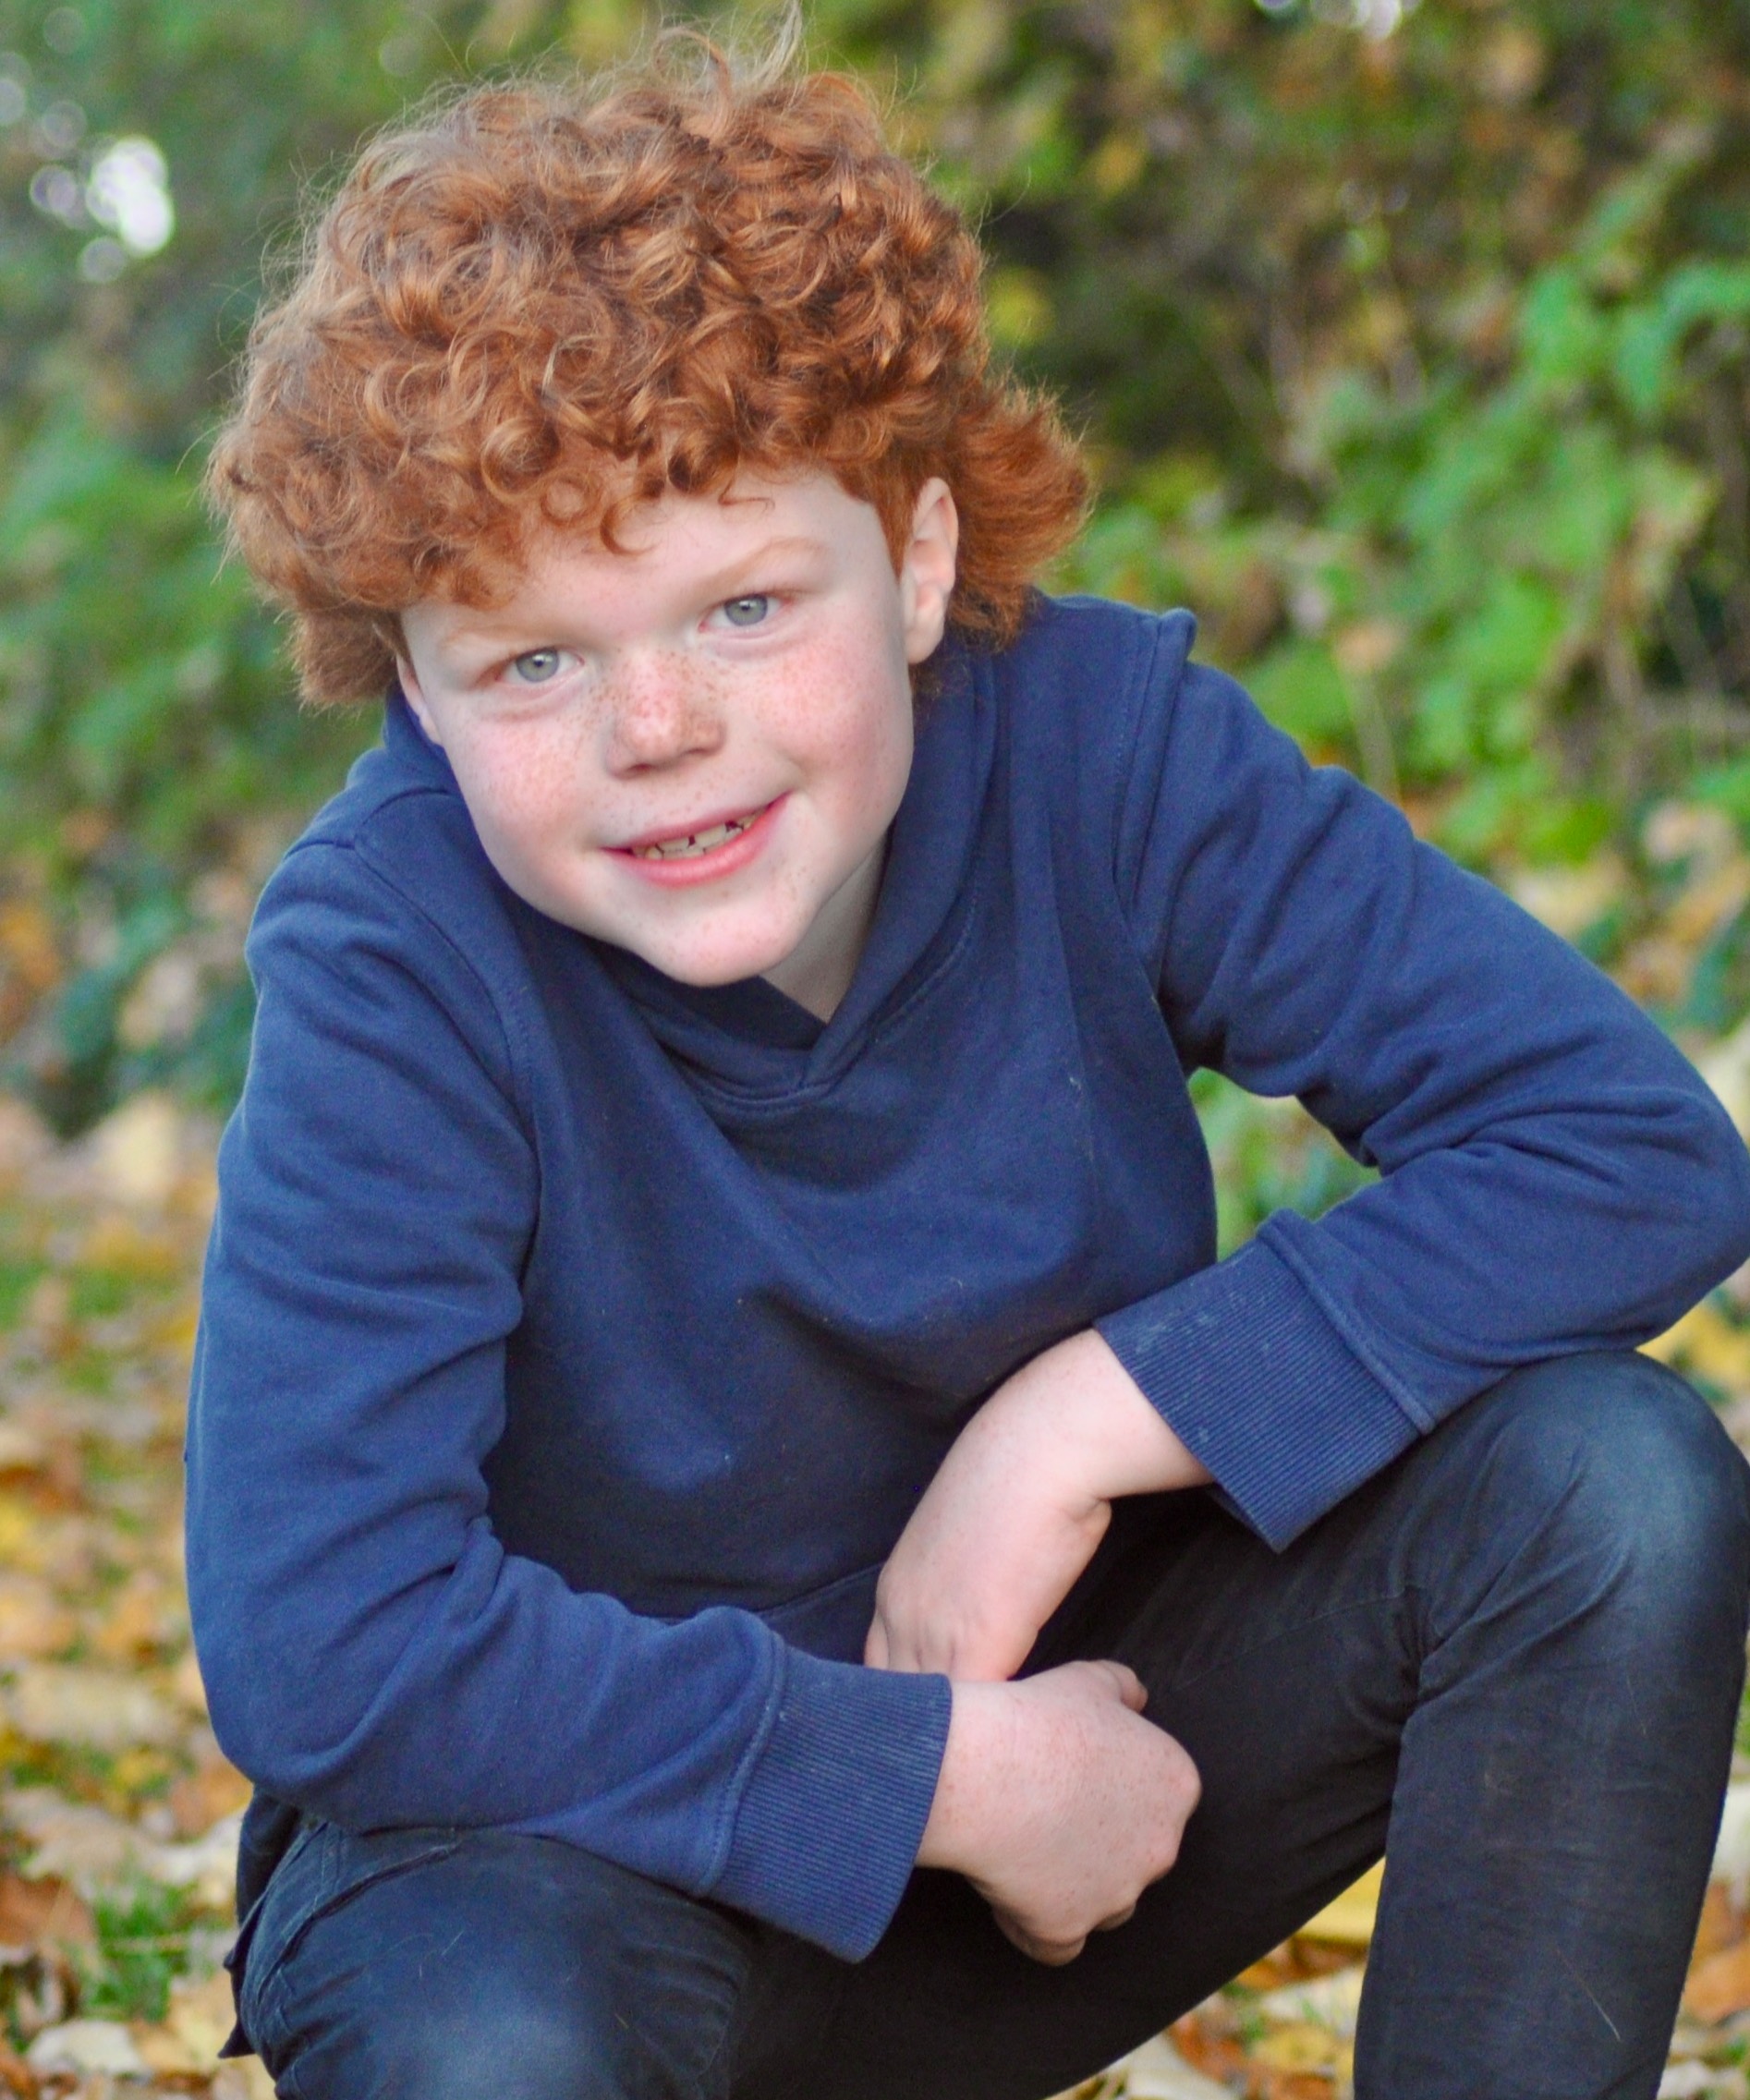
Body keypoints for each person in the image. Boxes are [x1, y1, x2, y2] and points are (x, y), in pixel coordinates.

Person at [187, 28, 1750, 2100]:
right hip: (576, 1875)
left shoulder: (1099, 749)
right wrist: (928, 1774)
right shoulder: (394, 946)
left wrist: (1081, 1417)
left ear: (916, 557)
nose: (658, 728)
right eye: (535, 658)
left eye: (746, 606)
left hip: (1086, 1795)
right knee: (487, 2036)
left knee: (1604, 1488)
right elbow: (325, 1634)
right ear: (411, 681)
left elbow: (1626, 1148)